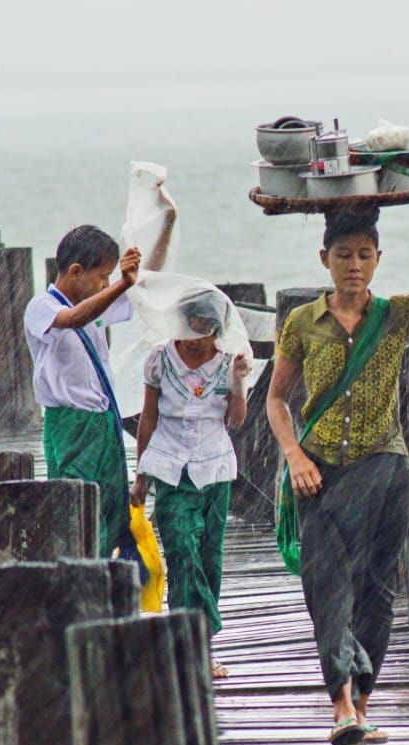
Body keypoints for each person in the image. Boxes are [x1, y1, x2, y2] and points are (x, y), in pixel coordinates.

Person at [265, 171, 409, 745]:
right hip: (317, 473)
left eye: (364, 255)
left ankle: (360, 707)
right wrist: (293, 456)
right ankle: (339, 705)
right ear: (325, 259)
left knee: (375, 590)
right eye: (343, 255)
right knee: (326, 587)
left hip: (384, 469)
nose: (354, 265)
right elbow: (276, 400)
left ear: (378, 259)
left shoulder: (396, 316)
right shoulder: (301, 323)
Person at [129, 187, 253, 679]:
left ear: (215, 332)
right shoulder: (160, 360)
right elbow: (149, 418)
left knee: (210, 554)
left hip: (215, 466)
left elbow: (236, 422)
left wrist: (240, 386)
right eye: (189, 333)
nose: (195, 346)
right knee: (180, 544)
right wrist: (140, 475)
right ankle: (195, 631)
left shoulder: (228, 365)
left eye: (204, 337)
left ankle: (197, 645)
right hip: (169, 465)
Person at [23, 225, 140, 558]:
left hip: (103, 423)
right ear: (75, 272)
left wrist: (163, 226)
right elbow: (73, 318)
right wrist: (121, 284)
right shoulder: (42, 307)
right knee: (76, 510)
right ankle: (82, 584)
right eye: (103, 277)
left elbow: (140, 290)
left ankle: (104, 579)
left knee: (112, 511)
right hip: (70, 425)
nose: (106, 284)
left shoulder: (95, 304)